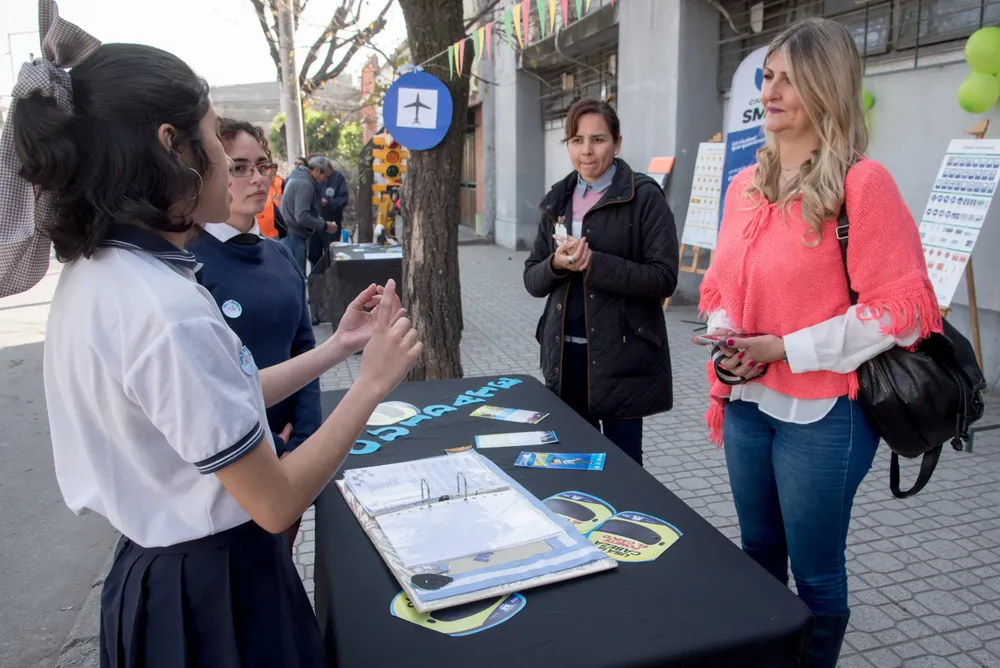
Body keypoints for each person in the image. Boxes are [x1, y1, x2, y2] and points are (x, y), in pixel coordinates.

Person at [3, 5, 422, 666]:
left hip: (159, 583)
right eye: (216, 143)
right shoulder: (161, 305)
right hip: (215, 599)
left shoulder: (103, 274)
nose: (233, 170)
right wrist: (370, 387)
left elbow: (213, 401)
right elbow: (275, 503)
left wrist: (339, 348)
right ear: (172, 146)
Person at [695, 18, 940, 668]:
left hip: (824, 415)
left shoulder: (864, 185)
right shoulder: (745, 185)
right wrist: (730, 338)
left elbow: (904, 313)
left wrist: (785, 348)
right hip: (747, 401)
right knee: (757, 559)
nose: (769, 90)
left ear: (826, 88)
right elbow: (720, 287)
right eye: (767, 76)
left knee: (818, 577)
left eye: (788, 78)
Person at [523, 98, 678, 467]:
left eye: (598, 139)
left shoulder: (644, 197)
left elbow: (664, 277)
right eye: (577, 140)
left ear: (617, 143)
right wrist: (556, 265)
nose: (587, 151)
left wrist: (596, 264)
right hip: (565, 357)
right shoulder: (558, 199)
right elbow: (532, 278)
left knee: (624, 468)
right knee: (575, 464)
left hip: (621, 358)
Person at [188, 118, 318, 553]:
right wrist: (273, 456)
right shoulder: (190, 266)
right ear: (209, 172)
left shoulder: (280, 255)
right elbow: (204, 393)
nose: (257, 177)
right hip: (233, 469)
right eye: (239, 167)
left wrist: (303, 441)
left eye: (263, 165)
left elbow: (303, 347)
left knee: (283, 571)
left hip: (290, 454)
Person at [280, 155, 336, 273]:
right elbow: (302, 216)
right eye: (325, 176)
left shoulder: (298, 179)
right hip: (294, 236)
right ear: (316, 171)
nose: (325, 180)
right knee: (296, 277)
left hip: (291, 234)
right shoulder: (305, 184)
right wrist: (324, 225)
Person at [308, 159, 349, 267]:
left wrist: (329, 202)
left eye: (326, 175)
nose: (324, 179)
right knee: (313, 255)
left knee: (330, 254)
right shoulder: (312, 180)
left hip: (332, 223)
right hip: (315, 224)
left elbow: (343, 200)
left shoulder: (338, 178)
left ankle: (330, 280)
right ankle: (315, 280)